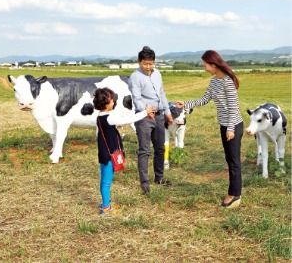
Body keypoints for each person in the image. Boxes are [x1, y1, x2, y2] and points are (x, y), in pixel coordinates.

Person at [177, 50, 244, 209]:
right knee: (229, 159)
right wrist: (186, 104)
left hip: (233, 125)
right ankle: (235, 192)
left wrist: (230, 128)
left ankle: (235, 194)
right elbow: (204, 99)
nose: (205, 68)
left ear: (213, 64)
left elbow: (234, 108)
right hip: (225, 125)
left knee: (234, 161)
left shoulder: (228, 82)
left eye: (205, 65)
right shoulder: (214, 81)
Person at [93, 87, 156, 215]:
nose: (114, 101)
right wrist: (145, 112)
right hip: (108, 155)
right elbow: (129, 120)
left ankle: (106, 203)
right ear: (106, 103)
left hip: (105, 154)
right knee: (106, 181)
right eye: (112, 100)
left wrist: (116, 126)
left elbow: (109, 127)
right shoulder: (109, 118)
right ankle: (105, 208)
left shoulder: (102, 116)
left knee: (105, 180)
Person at [129, 46, 173, 195]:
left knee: (160, 148)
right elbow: (136, 98)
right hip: (144, 117)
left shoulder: (158, 74)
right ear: (139, 62)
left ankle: (159, 178)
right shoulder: (135, 77)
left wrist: (167, 112)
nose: (149, 67)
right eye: (145, 64)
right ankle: (144, 183)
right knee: (144, 150)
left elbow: (161, 93)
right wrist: (146, 111)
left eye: (151, 63)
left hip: (159, 115)